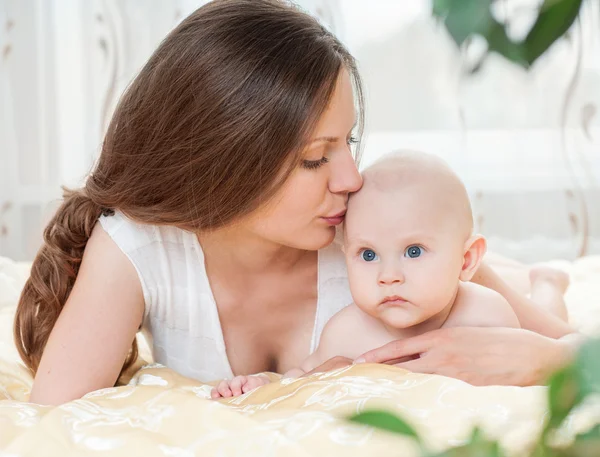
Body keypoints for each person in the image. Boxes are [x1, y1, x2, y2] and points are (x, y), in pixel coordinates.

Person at [13, 0, 580, 407]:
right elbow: (53, 419)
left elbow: (572, 349)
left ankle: (541, 279)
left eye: (349, 143)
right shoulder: (140, 246)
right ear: (222, 161)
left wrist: (542, 359)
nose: (352, 178)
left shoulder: (367, 236)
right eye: (316, 158)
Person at [210, 151, 569, 398]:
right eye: (368, 255)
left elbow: (526, 367)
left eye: (413, 252)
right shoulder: (345, 333)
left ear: (465, 260)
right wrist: (259, 388)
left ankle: (548, 283)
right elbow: (299, 380)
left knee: (548, 313)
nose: (388, 276)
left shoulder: (488, 313)